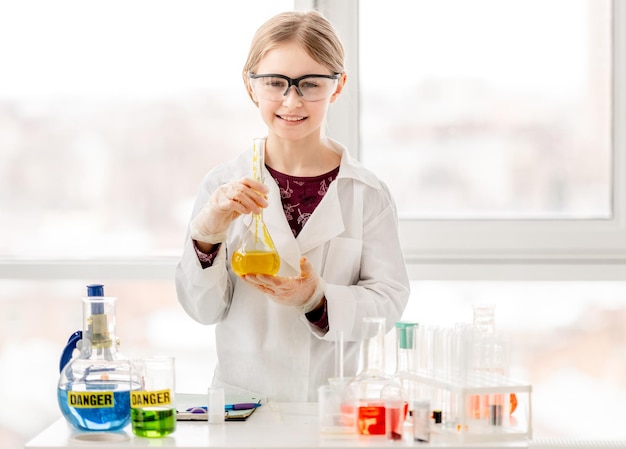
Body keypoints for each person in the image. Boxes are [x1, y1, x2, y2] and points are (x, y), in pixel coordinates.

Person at [175, 10, 409, 402]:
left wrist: (316, 298)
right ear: (251, 86)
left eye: (310, 84)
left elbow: (388, 300)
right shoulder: (221, 187)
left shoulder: (366, 193)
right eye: (275, 82)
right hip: (242, 405)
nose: (291, 100)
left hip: (332, 405)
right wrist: (207, 234)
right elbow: (202, 309)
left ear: (338, 86)